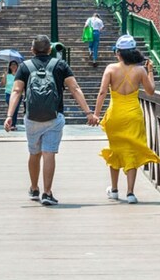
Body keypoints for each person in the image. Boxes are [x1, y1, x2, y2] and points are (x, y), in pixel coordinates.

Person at [5, 35, 99, 206]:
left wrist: (10, 116)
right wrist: (88, 113)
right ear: (50, 49)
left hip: (31, 117)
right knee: (49, 153)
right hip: (54, 117)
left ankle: (34, 188)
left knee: (34, 153)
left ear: (32, 50)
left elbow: (17, 91)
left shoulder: (25, 67)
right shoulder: (60, 65)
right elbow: (75, 88)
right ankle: (47, 193)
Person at [92, 35, 160, 204]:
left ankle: (114, 190)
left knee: (115, 149)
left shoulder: (110, 69)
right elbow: (151, 91)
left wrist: (95, 114)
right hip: (133, 114)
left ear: (118, 53)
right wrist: (150, 70)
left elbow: (102, 93)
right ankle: (130, 193)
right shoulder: (140, 71)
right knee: (131, 151)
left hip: (115, 114)